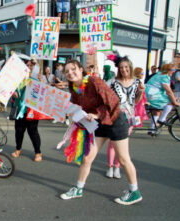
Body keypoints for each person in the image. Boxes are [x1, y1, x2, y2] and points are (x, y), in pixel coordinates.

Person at [60, 60, 142, 205]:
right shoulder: (73, 87)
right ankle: (78, 189)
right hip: (98, 125)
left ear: (81, 69)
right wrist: (73, 114)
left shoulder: (94, 81)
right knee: (87, 158)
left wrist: (97, 114)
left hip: (115, 120)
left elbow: (113, 101)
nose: (70, 73)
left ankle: (134, 192)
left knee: (123, 159)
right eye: (67, 71)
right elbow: (78, 106)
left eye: (73, 69)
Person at [105, 58, 145, 179]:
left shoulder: (137, 82)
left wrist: (141, 92)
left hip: (130, 116)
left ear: (130, 67)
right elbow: (103, 94)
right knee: (113, 142)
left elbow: (136, 101)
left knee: (123, 143)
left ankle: (117, 167)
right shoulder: (113, 81)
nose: (124, 69)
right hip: (116, 116)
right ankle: (110, 166)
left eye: (126, 67)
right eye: (121, 67)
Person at [11, 58, 43, 162]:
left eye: (31, 65)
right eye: (27, 65)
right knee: (19, 131)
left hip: (31, 111)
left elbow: (43, 94)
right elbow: (12, 92)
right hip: (20, 110)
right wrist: (13, 93)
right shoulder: (18, 79)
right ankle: (18, 149)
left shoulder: (37, 78)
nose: (29, 67)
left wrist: (41, 82)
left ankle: (38, 152)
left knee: (33, 132)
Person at [145, 64, 180, 134]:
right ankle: (162, 119)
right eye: (172, 70)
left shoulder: (159, 74)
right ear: (167, 70)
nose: (174, 72)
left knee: (156, 110)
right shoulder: (165, 77)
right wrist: (175, 102)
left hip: (149, 94)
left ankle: (152, 129)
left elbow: (163, 91)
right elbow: (169, 91)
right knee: (171, 102)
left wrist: (173, 97)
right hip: (153, 94)